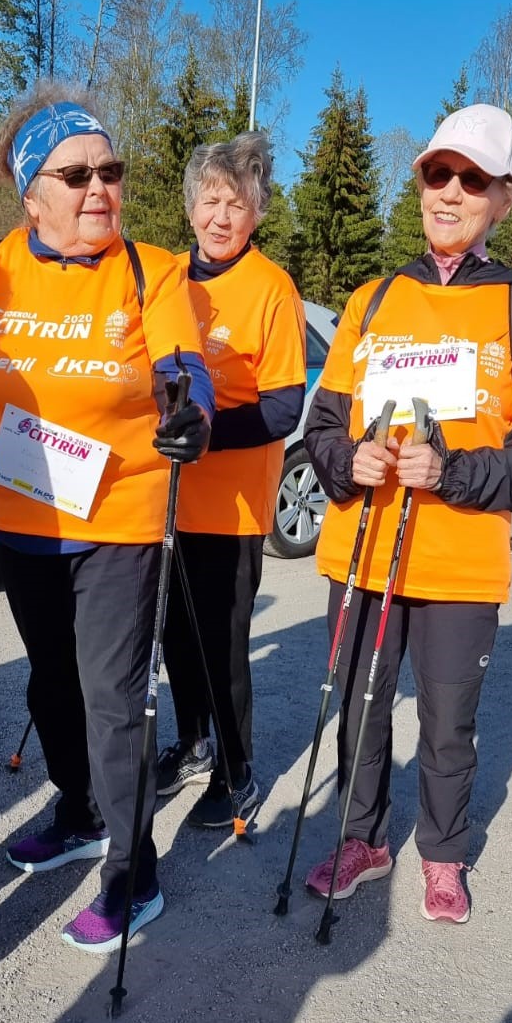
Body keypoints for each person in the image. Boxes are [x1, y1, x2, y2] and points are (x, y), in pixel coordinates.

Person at [0, 84, 213, 953]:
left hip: (119, 519)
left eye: (112, 171)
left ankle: (131, 870)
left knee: (114, 699)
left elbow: (186, 371)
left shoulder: (153, 271)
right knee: (51, 682)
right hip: (22, 515)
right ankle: (76, 810)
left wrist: (191, 413)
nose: (100, 188)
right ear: (33, 194)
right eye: (77, 175)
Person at [303, 104, 512, 924]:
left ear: (502, 198)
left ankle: (444, 852)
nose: (450, 192)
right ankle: (361, 837)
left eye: (473, 179)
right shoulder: (373, 300)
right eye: (437, 174)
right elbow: (321, 430)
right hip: (364, 550)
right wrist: (354, 461)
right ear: (420, 184)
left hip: (459, 564)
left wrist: (448, 471)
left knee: (450, 722)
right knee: (360, 705)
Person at [157, 133, 306, 827]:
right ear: (191, 208)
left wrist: (210, 434)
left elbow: (283, 406)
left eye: (236, 203)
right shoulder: (164, 282)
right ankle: (191, 743)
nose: (221, 216)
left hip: (233, 506)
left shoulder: (272, 288)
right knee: (172, 639)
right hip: (161, 501)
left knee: (222, 647)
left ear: (257, 214)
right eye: (210, 200)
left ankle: (238, 769)